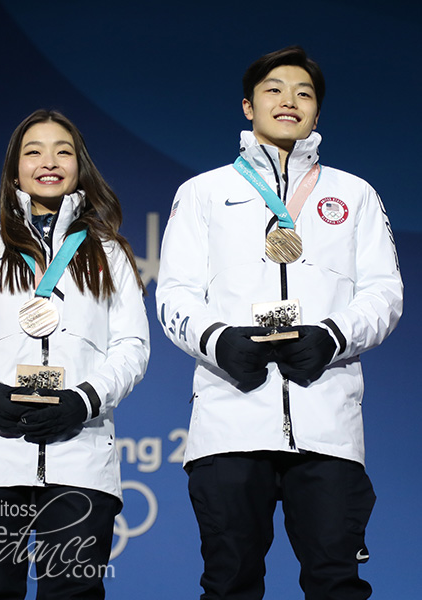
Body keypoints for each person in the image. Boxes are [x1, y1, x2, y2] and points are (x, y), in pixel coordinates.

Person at [156, 46, 403, 600]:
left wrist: (332, 337)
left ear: (317, 114)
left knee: (337, 585)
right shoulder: (201, 193)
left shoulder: (354, 194)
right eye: (273, 89)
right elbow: (173, 295)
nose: (288, 100)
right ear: (247, 106)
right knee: (229, 586)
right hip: (229, 420)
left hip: (328, 423)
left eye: (304, 93)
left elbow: (386, 293)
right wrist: (220, 342)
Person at [0, 109, 149, 600]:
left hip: (80, 459)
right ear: (14, 169)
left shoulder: (109, 253)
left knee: (74, 594)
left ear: (79, 165)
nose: (49, 161)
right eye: (33, 151)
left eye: (63, 150)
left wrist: (82, 401)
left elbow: (132, 348)